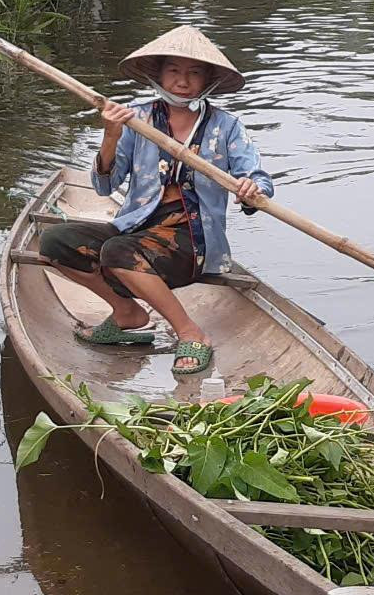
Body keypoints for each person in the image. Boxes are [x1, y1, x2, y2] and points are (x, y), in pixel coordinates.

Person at [38, 24, 274, 378]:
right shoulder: (138, 118)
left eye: (194, 73)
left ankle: (191, 333)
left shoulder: (225, 126)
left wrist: (251, 190)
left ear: (207, 80)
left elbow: (258, 179)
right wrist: (111, 135)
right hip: (137, 228)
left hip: (190, 242)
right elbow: (105, 186)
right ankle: (126, 311)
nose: (182, 81)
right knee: (55, 241)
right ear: (159, 74)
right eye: (174, 71)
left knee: (117, 251)